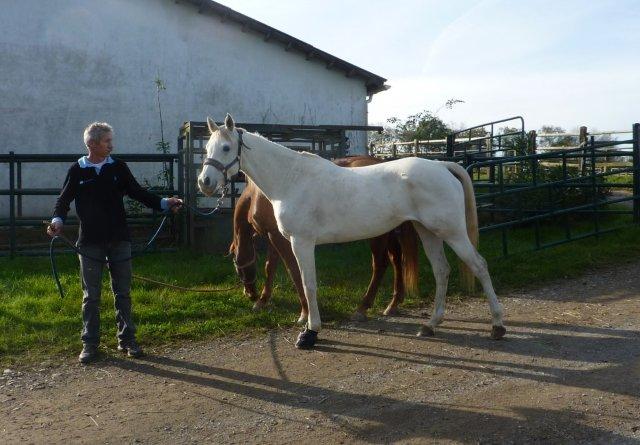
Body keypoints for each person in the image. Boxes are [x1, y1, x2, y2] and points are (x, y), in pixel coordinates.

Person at [47, 122, 182, 364]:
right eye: (107, 141)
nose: (112, 145)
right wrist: (57, 221)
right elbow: (64, 199)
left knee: (123, 292)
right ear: (92, 144)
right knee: (91, 296)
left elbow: (138, 192)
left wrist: (164, 203)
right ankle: (90, 344)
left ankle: (127, 339)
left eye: (111, 140)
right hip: (89, 242)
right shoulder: (77, 170)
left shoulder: (118, 167)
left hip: (119, 239)